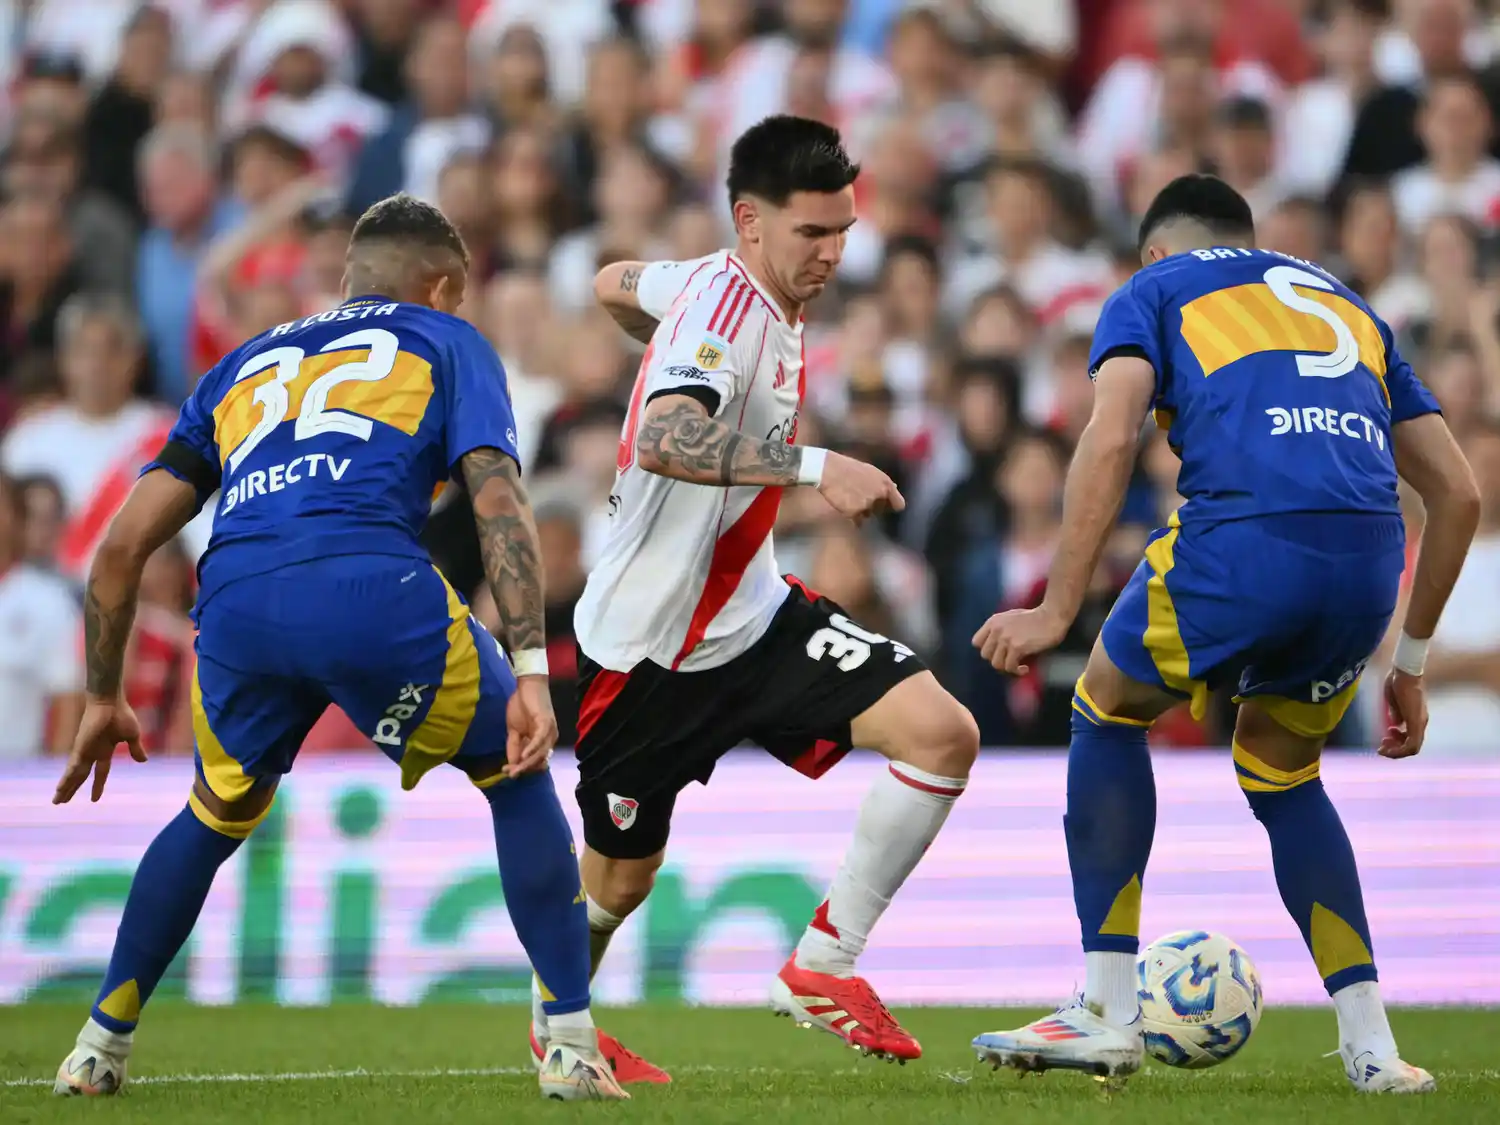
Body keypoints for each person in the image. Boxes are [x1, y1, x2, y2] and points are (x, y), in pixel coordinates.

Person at [49, 194, 626, 1102]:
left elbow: (121, 545)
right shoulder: (447, 342)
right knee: (513, 771)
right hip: (369, 586)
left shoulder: (241, 366)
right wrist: (527, 670)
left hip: (235, 603)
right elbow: (499, 500)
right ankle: (570, 1042)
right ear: (439, 286)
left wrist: (99, 694)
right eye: (461, 295)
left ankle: (97, 1044)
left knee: (214, 810)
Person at [968, 174, 1477, 1095]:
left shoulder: (1154, 289)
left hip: (1242, 543)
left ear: (1158, 250)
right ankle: (1373, 1048)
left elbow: (1112, 433)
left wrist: (1054, 607)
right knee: (1284, 774)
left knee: (1104, 706)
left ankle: (1107, 1008)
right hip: (1367, 563)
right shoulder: (1346, 302)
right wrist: (1408, 663)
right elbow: (1460, 494)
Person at [529, 114, 980, 1081]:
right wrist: (818, 465)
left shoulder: (709, 285)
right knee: (618, 882)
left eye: (843, 229)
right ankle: (558, 1029)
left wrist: (655, 321)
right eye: (812, 233)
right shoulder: (721, 314)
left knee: (943, 733)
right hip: (649, 653)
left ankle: (823, 962)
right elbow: (663, 439)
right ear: (750, 221)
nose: (833, 252)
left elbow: (613, 280)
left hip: (756, 617)